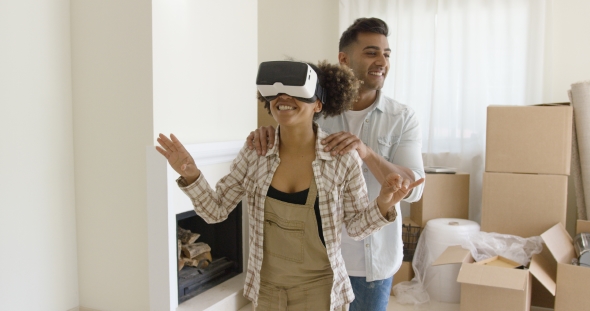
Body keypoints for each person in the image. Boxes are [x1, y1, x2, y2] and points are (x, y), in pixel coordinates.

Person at [156, 60, 424, 311]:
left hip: (320, 290)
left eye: (295, 91)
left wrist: (385, 202)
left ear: (318, 104)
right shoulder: (255, 152)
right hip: (267, 291)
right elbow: (215, 211)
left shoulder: (341, 159)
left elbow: (355, 227)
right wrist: (191, 174)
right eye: (276, 93)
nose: (283, 98)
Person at [247, 18, 425, 311]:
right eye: (371, 52)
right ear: (344, 59)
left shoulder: (402, 117)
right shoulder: (315, 110)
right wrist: (266, 132)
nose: (382, 61)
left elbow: (414, 187)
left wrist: (367, 152)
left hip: (372, 266)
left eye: (386, 54)